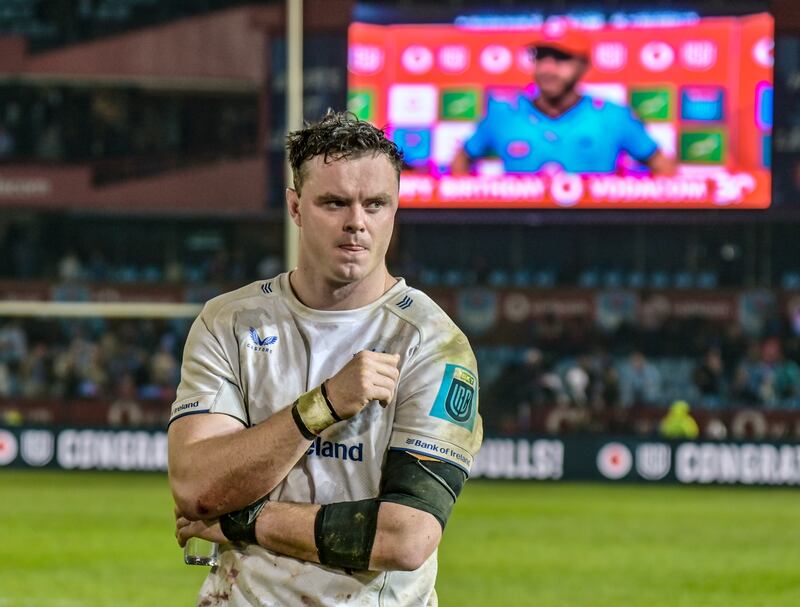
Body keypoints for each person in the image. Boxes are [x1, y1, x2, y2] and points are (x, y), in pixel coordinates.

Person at [169, 111, 482, 606]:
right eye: (334, 203)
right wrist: (326, 404)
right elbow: (195, 487)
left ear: (395, 209)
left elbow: (406, 538)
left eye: (376, 204)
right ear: (295, 207)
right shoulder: (229, 322)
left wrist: (244, 521)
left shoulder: (432, 343)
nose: (356, 222)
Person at [452, 31, 675, 176]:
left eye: (560, 59)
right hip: (521, 234)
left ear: (583, 65)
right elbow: (461, 160)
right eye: (541, 58)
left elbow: (663, 167)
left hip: (596, 236)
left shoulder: (613, 116)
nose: (548, 69)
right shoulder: (503, 115)